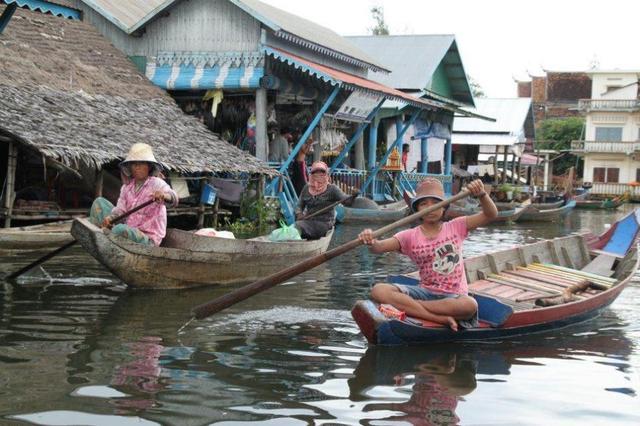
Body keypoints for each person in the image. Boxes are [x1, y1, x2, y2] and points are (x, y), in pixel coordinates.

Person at [358, 178, 498, 331]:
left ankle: (413, 308)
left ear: (443, 207)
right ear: (418, 209)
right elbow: (378, 248)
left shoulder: (456, 226)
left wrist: (482, 194)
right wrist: (370, 240)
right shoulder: (409, 236)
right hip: (424, 292)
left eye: (435, 203)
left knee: (470, 305)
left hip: (453, 296)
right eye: (424, 204)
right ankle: (437, 318)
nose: (430, 208)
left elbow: (491, 214)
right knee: (379, 290)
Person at [89, 143, 179, 246]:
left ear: (149, 166)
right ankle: (102, 237)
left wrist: (163, 195)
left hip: (147, 238)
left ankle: (108, 236)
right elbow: (120, 211)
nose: (137, 167)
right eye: (134, 164)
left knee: (119, 230)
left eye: (141, 163)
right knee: (98, 203)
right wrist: (110, 219)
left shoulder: (156, 183)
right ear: (130, 167)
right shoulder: (126, 188)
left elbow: (174, 198)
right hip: (129, 229)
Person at [295, 161, 353, 239]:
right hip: (309, 221)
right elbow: (299, 205)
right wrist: (299, 214)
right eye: (315, 174)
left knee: (299, 226)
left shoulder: (332, 189)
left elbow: (346, 201)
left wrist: (352, 197)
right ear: (311, 175)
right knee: (295, 227)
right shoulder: (306, 188)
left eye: (321, 174)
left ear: (326, 175)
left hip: (325, 223)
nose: (318, 176)